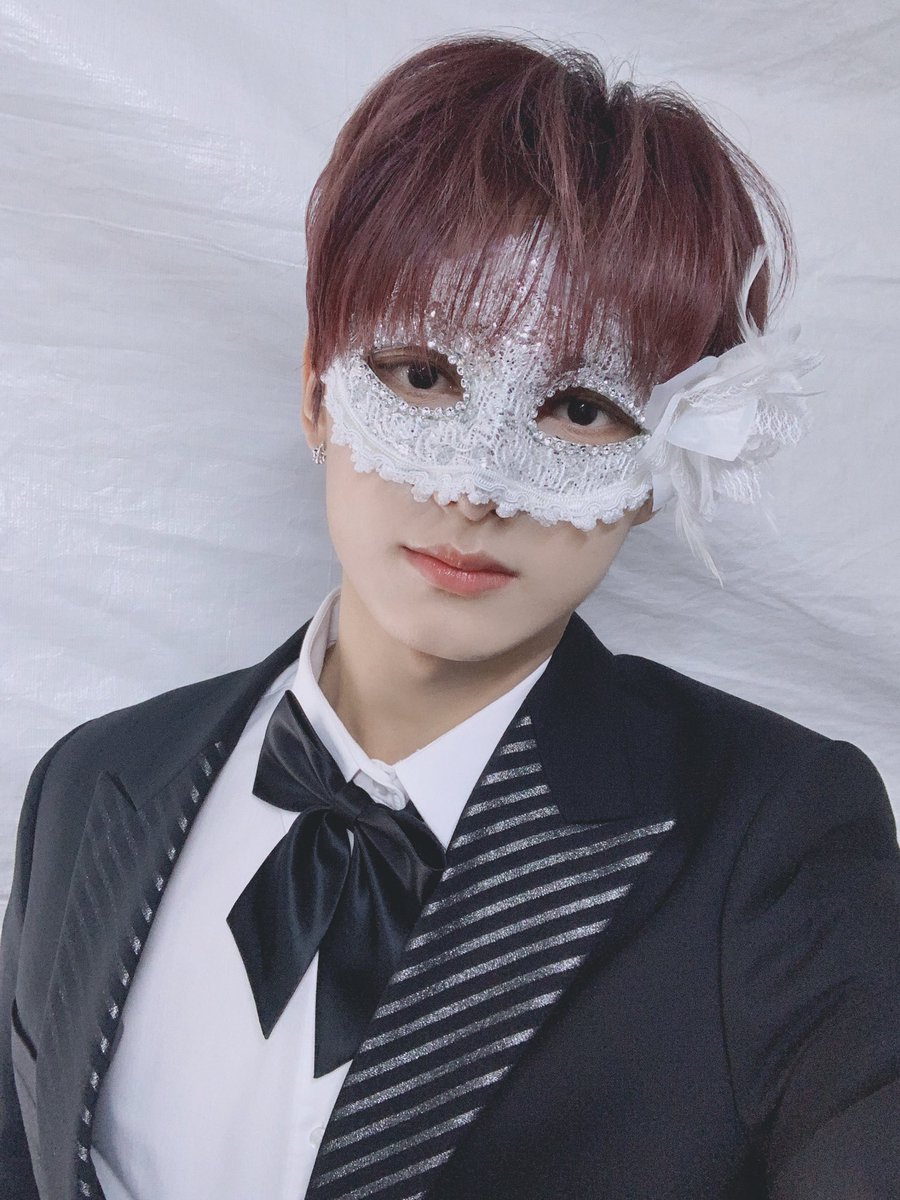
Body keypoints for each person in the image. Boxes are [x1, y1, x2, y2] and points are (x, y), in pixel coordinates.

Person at [1, 33, 898, 1200]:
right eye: (423, 376)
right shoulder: (88, 786)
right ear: (318, 390)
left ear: (662, 466)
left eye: (580, 409)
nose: (477, 488)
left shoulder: (774, 842)